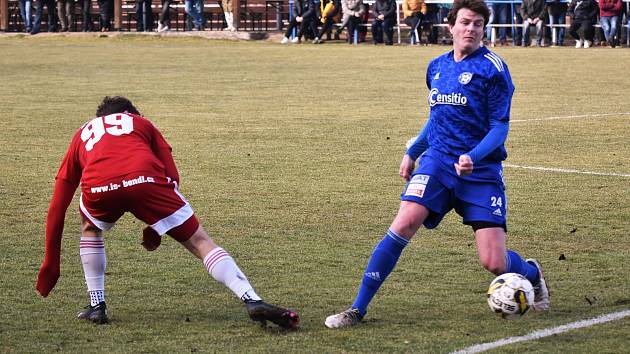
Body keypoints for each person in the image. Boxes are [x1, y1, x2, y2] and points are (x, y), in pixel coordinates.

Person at [324, 0, 549, 329]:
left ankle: (530, 272)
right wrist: (413, 150)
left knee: (494, 262)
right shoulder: (436, 67)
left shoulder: (494, 70)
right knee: (403, 224)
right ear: (451, 26)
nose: (470, 29)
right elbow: (437, 117)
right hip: (437, 163)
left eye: (477, 24)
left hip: (480, 172)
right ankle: (357, 309)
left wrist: (474, 156)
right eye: (465, 22)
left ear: (483, 30)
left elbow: (500, 126)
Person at [35, 96, 300, 329]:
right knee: (200, 241)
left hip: (100, 187)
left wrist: (51, 262)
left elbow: (59, 202)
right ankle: (251, 299)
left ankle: (97, 305)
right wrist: (157, 224)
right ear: (132, 114)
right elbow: (171, 176)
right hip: (147, 182)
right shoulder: (143, 123)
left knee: (90, 227)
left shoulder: (82, 132)